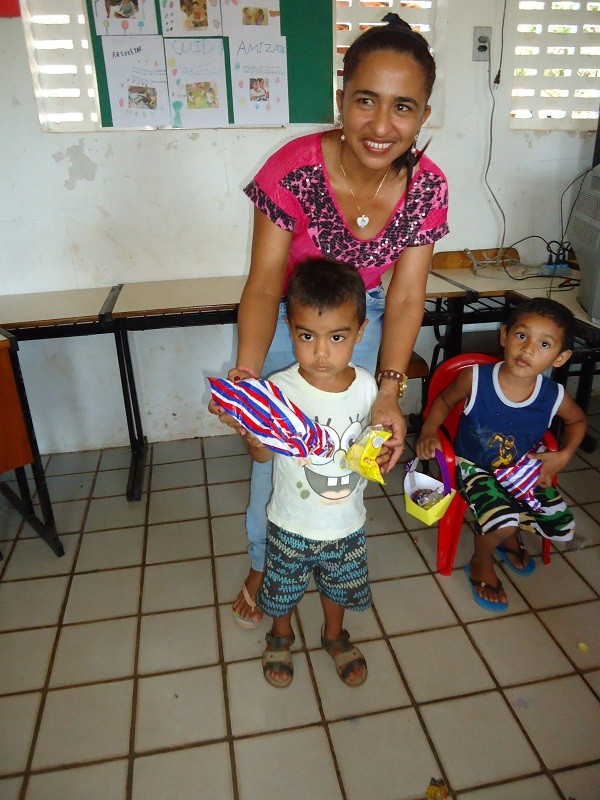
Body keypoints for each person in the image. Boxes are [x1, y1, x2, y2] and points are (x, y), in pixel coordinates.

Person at [210, 14, 449, 627]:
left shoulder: (427, 188)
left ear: (423, 115)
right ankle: (266, 562)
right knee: (275, 460)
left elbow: (403, 298)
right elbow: (264, 285)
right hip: (293, 326)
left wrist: (390, 394)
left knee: (346, 457)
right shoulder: (293, 167)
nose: (380, 125)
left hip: (362, 332)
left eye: (403, 107)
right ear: (342, 98)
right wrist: (247, 374)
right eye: (365, 101)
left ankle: (325, 556)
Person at [237, 258, 389, 687]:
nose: (321, 352)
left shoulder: (367, 387)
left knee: (338, 587)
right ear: (290, 329)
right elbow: (264, 459)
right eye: (307, 336)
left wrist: (377, 453)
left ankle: (333, 635)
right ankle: (280, 634)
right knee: (281, 588)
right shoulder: (279, 391)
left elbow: (371, 442)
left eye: (337, 337)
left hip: (347, 522)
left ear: (360, 334)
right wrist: (255, 440)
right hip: (290, 521)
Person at [416, 298, 587, 611]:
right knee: (503, 522)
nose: (528, 349)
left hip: (522, 463)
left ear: (560, 357)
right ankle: (482, 559)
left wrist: (563, 454)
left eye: (544, 344)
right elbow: (442, 401)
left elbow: (577, 421)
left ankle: (508, 532)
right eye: (522, 336)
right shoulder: (476, 378)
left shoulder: (553, 395)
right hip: (474, 466)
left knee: (557, 519)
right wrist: (428, 431)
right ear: (504, 335)